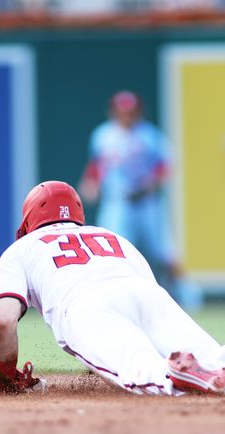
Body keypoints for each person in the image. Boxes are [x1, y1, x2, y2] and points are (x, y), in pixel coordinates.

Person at [0, 180, 225, 395]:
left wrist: (2, 379)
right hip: (145, 293)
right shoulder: (111, 237)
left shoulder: (21, 249)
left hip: (87, 308)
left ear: (29, 222)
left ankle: (181, 376)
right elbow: (144, 301)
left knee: (147, 375)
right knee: (215, 362)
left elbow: (2, 321)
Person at [78, 91, 200, 310]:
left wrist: (151, 183)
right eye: (122, 112)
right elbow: (97, 165)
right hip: (117, 202)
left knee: (164, 250)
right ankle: (110, 298)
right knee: (108, 250)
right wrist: (91, 182)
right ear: (114, 112)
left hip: (147, 203)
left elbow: (166, 165)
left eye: (130, 112)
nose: (126, 116)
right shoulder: (103, 135)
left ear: (138, 113)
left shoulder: (149, 135)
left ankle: (187, 294)